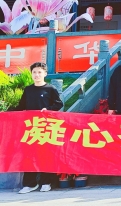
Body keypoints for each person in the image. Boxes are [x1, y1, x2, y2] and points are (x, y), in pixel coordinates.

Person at [16, 62, 63, 194]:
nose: (37, 75)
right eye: (34, 72)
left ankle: (46, 182)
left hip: (46, 127)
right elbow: (21, 106)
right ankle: (29, 184)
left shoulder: (50, 89)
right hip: (31, 128)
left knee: (46, 155)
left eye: (39, 72)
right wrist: (6, 114)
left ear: (45, 74)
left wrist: (48, 109)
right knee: (29, 156)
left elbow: (59, 104)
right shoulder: (28, 90)